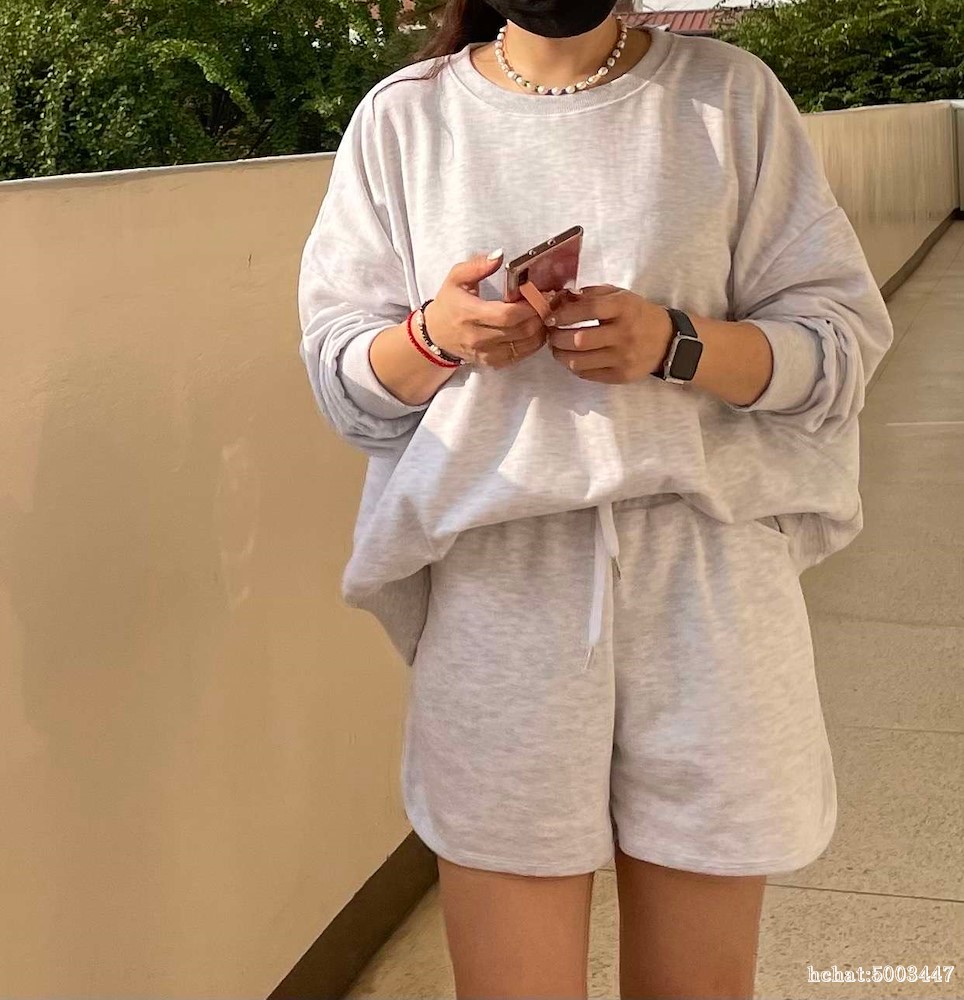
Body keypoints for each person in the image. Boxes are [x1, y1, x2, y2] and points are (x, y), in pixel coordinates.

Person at [297, 1, 894, 996]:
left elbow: (837, 350)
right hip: (499, 585)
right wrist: (438, 336)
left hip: (709, 575)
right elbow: (345, 386)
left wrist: (673, 343)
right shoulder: (406, 119)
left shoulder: (727, 98)